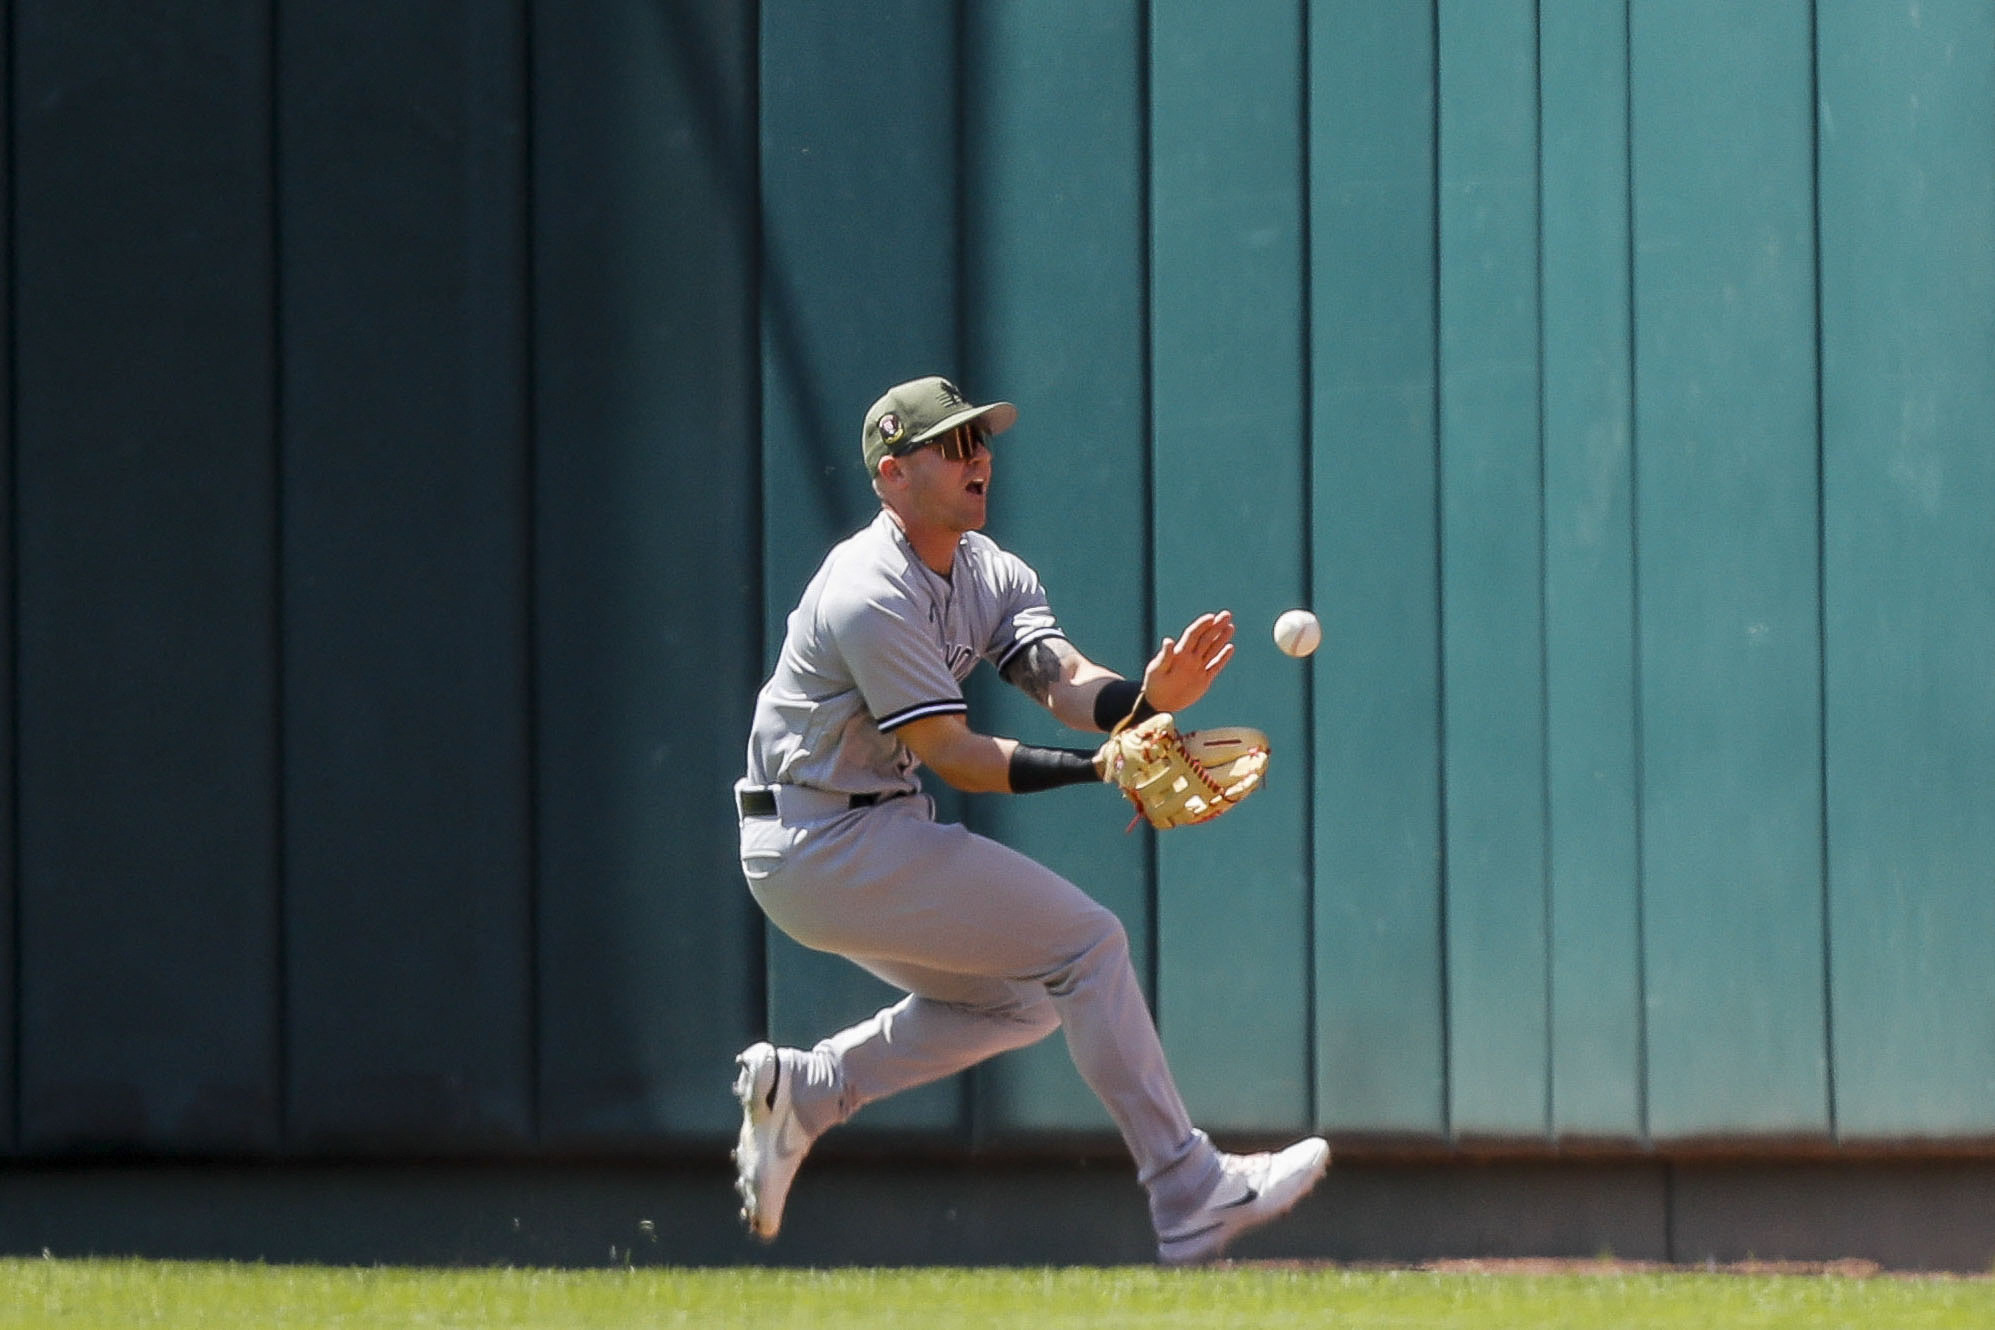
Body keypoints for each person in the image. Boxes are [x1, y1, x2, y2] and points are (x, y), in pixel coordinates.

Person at [729, 375, 1328, 1264]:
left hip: (856, 833)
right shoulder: (867, 588)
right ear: (892, 475)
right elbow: (959, 756)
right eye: (955, 445)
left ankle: (811, 1092)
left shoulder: (986, 569)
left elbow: (1056, 677)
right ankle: (1188, 1189)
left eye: (981, 440)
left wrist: (1139, 701)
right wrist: (1102, 767)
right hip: (820, 837)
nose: (981, 458)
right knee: (1086, 947)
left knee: (1018, 1004)